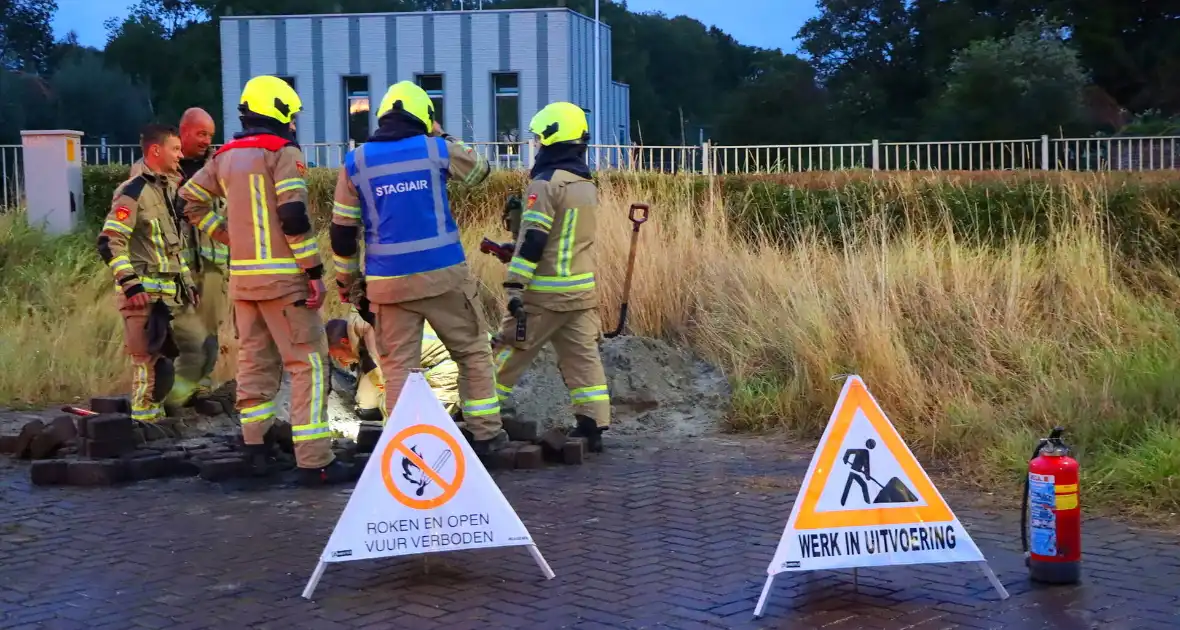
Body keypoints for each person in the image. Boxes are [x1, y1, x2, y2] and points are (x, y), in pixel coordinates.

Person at [177, 74, 351, 485]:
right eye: (291, 114)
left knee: (254, 365)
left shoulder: (225, 156)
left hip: (244, 283)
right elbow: (293, 216)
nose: (294, 123)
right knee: (308, 365)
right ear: (278, 110)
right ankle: (315, 461)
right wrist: (313, 270)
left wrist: (229, 236)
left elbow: (189, 199)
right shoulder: (281, 152)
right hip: (285, 283)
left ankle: (255, 449)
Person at [329, 80, 508, 456]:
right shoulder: (435, 148)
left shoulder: (356, 162)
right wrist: (441, 134)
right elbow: (481, 172)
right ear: (424, 118)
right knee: (473, 352)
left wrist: (349, 283)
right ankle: (487, 436)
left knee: (399, 371)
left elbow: (343, 232)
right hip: (443, 275)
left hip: (388, 285)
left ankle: (406, 448)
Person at [492, 102, 611, 453]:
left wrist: (515, 284)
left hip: (544, 295)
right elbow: (563, 239)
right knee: (582, 359)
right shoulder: (585, 184)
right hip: (580, 293)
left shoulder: (545, 184)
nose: (538, 145)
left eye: (540, 138)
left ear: (551, 139)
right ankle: (593, 427)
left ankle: (471, 417)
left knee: (507, 351)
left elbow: (535, 239)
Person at [96, 124, 206, 424]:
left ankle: (163, 412)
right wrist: (131, 285)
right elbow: (109, 242)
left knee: (192, 351)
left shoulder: (169, 189)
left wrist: (186, 283)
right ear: (156, 151)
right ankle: (144, 427)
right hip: (142, 297)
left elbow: (173, 247)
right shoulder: (133, 192)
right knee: (148, 365)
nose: (181, 155)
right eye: (175, 149)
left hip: (170, 295)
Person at [325, 307, 461, 421]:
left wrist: (388, 434)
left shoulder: (373, 345)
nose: (341, 361)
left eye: (338, 356)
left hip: (443, 372)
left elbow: (390, 396)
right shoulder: (368, 326)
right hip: (436, 363)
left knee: (428, 427)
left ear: (344, 342)